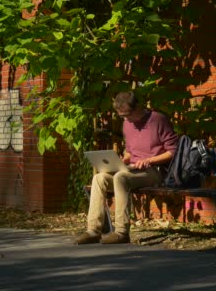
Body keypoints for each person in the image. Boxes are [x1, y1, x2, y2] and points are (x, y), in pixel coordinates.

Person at [75, 91, 178, 244]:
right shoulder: (127, 123)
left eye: (127, 114)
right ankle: (93, 231)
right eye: (122, 116)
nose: (125, 119)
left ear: (137, 107)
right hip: (132, 170)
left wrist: (150, 160)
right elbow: (130, 151)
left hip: (154, 171)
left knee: (120, 177)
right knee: (99, 178)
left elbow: (173, 151)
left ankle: (122, 232)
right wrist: (121, 161)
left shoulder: (158, 120)